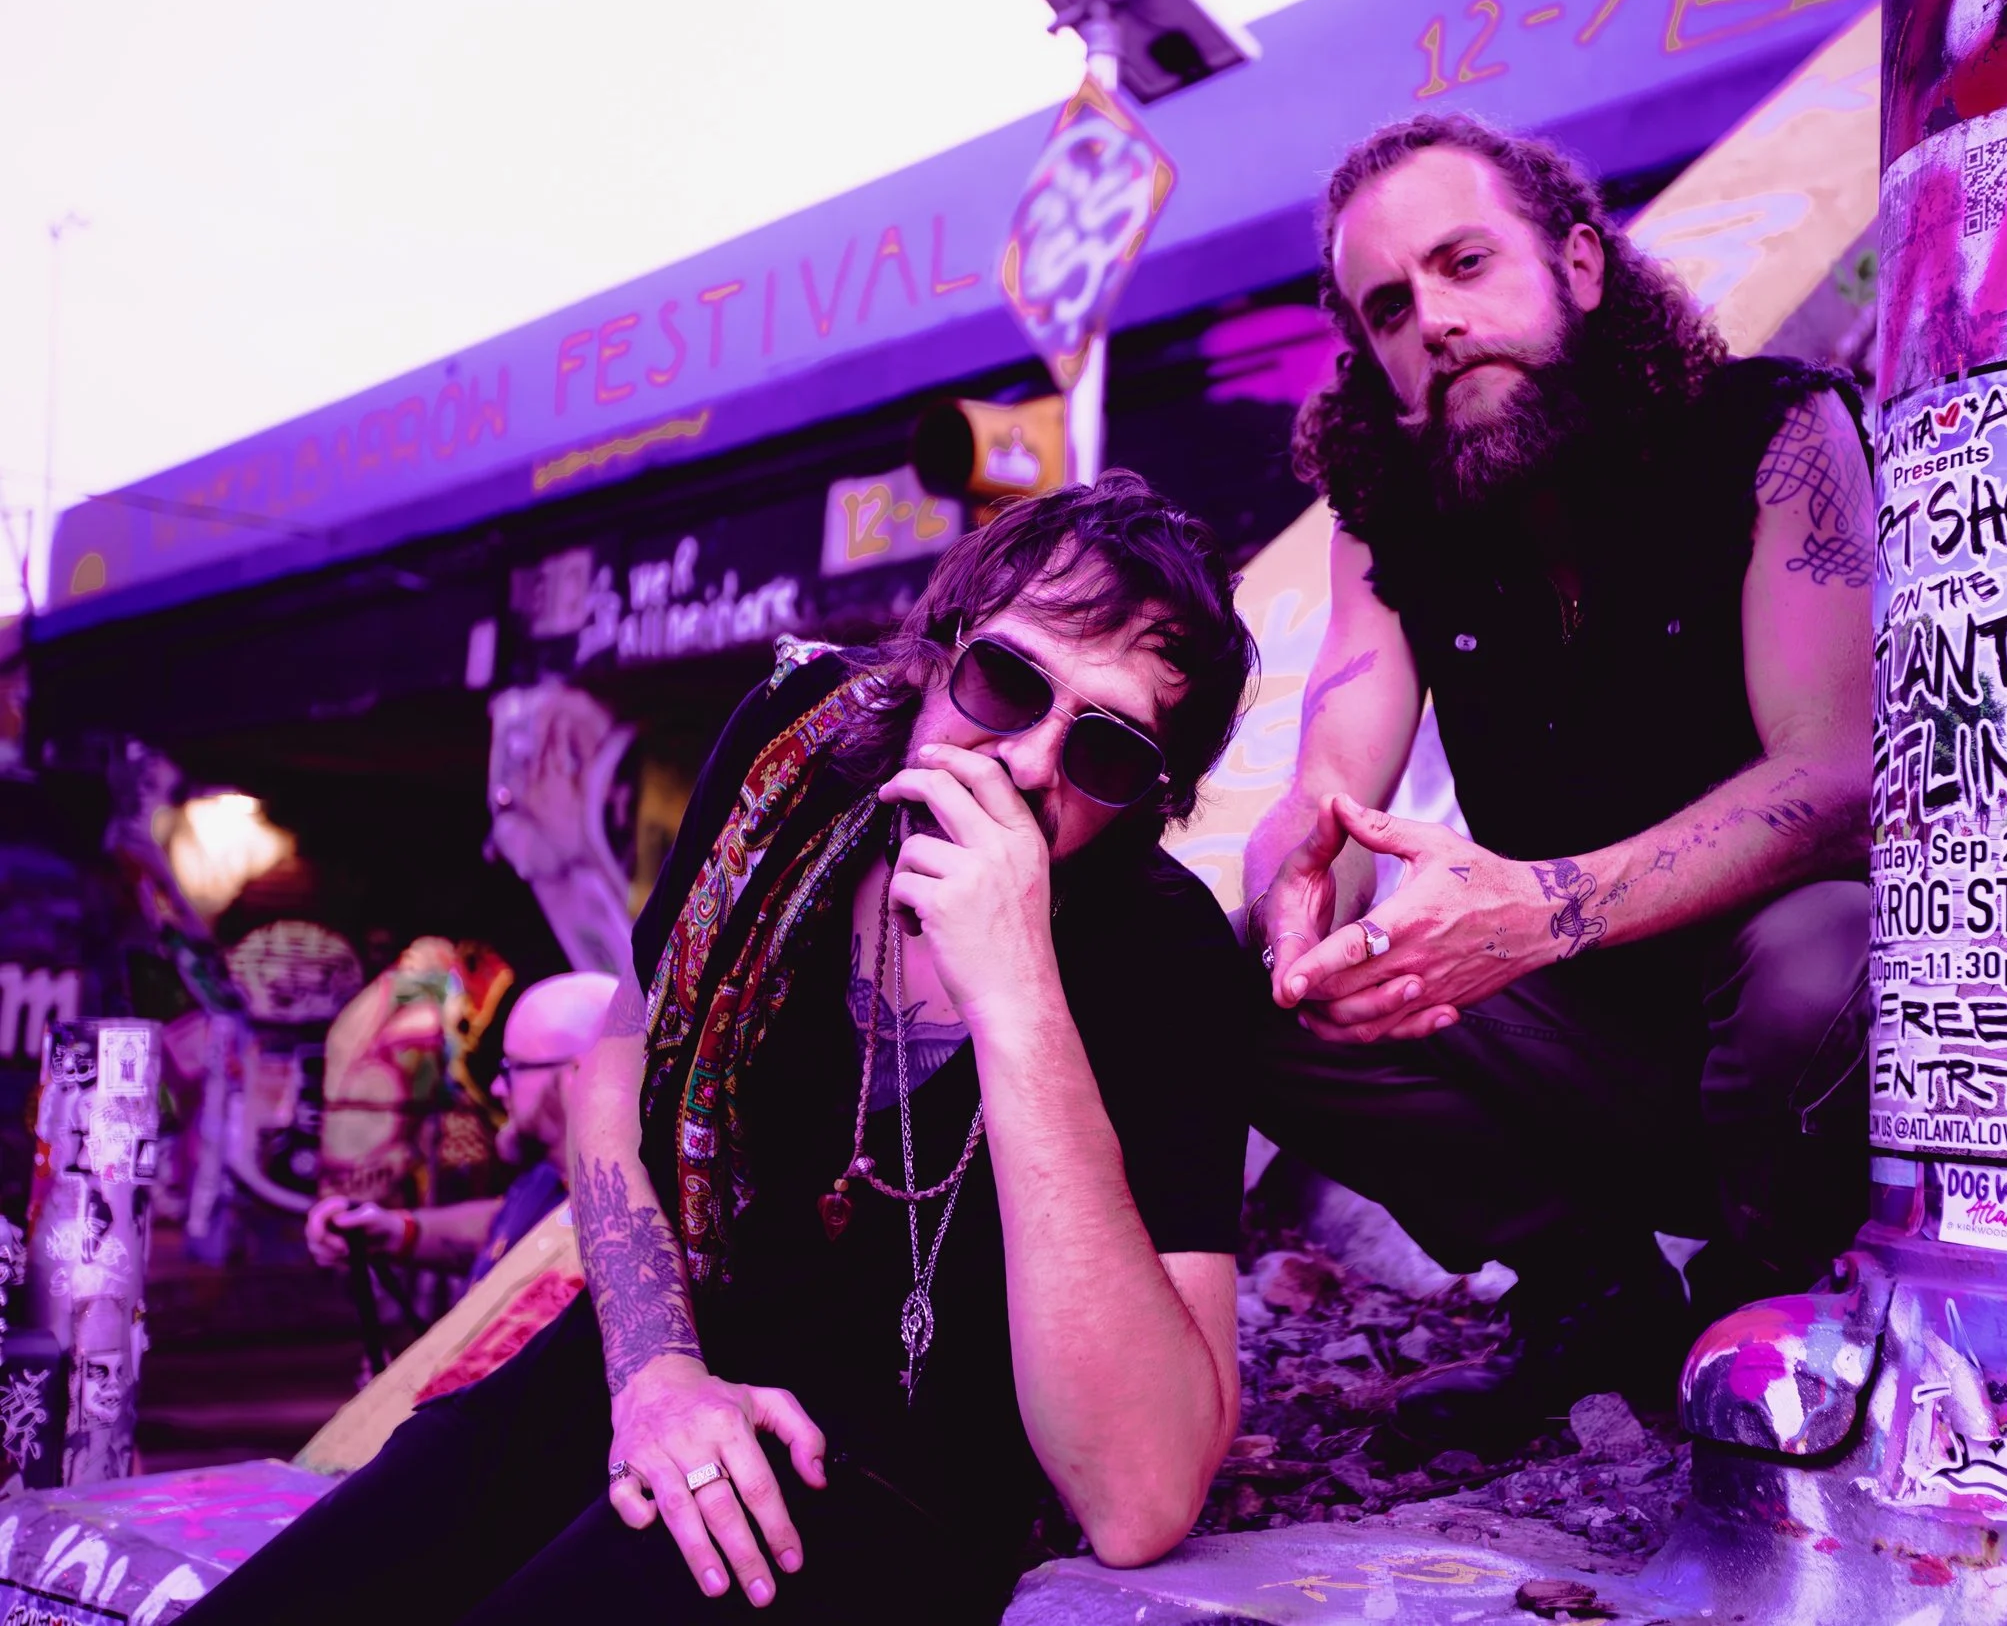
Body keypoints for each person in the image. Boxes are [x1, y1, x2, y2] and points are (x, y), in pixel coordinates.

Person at [188, 474, 1259, 1623]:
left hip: (880, 1491)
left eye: (1104, 751)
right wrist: (653, 1371)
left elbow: (1143, 1493)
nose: (1033, 762)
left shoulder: (1163, 958)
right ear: (935, 657)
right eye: (1005, 680)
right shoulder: (790, 758)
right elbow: (619, 1059)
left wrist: (1021, 992)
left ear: (1148, 798)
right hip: (650, 1370)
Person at [1243, 114, 1877, 1448]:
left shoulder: (1774, 432)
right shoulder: (1394, 511)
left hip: (1785, 1063)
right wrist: (1300, 891)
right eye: (1392, 305)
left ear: (1580, 266)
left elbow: (1833, 779)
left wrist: (1546, 906)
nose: (1438, 320)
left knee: (1821, 948)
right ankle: (1597, 1296)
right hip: (1578, 1049)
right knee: (1246, 987)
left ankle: (1767, 1308)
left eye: (1467, 263)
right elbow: (1337, 767)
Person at [305, 970, 614, 1286]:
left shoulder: (620, 1230)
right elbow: (508, 1222)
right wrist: (396, 1231)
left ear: (581, 1074)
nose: (496, 1088)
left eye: (513, 1068)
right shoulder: (554, 1179)